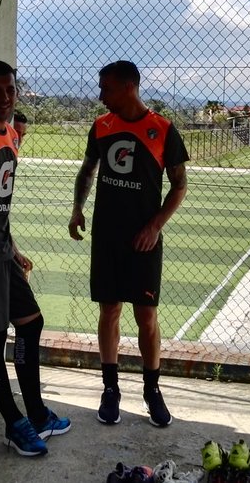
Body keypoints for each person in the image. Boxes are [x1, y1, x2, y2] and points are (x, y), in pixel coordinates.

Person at [0, 62, 71, 458]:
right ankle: (14, 423)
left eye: (10, 90)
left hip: (3, 252)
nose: (5, 97)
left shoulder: (9, 136)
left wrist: (13, 247)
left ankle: (36, 412)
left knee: (31, 324)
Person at [68, 60, 189, 428]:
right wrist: (77, 209)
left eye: (106, 88)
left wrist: (155, 225)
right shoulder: (101, 127)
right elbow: (87, 171)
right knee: (109, 310)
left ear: (129, 87)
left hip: (144, 240)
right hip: (107, 236)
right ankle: (110, 389)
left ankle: (152, 391)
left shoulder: (163, 130)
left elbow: (180, 186)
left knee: (146, 316)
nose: (101, 95)